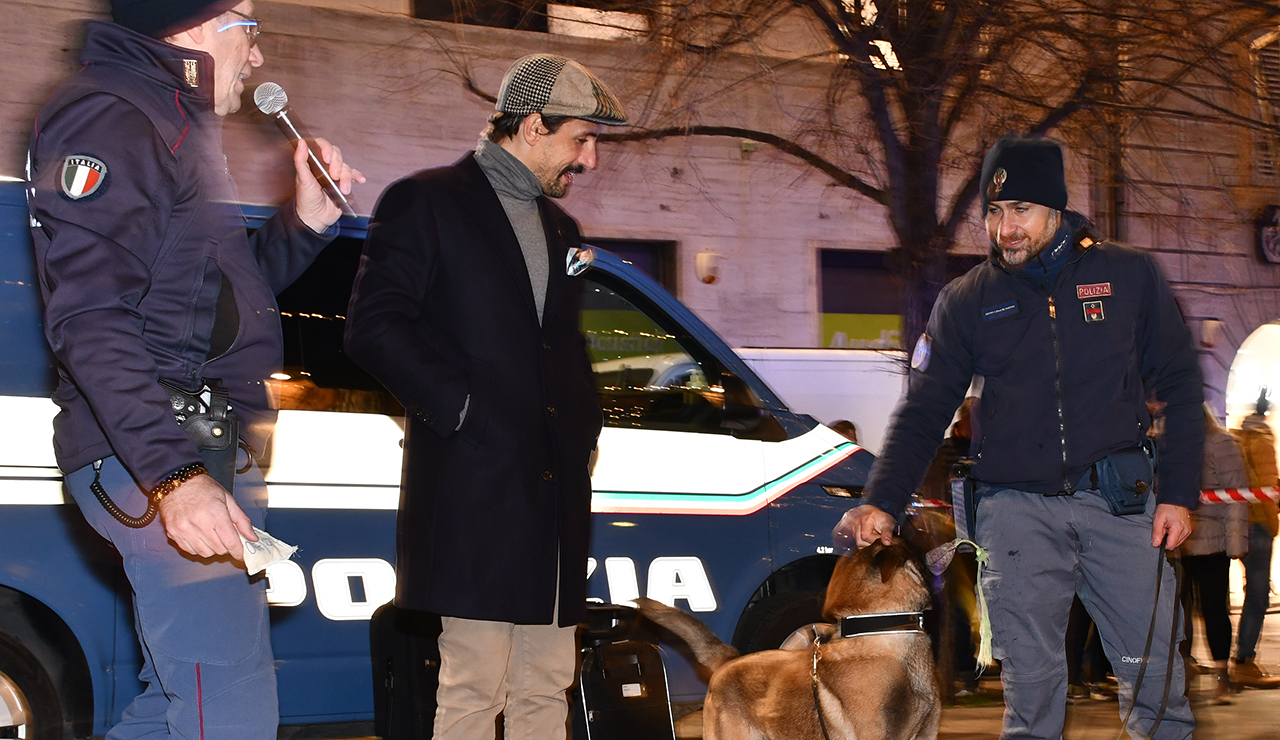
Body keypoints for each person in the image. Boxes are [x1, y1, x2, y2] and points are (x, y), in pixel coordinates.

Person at [26, 1, 362, 738]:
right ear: (192, 24)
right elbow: (88, 316)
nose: (260, 56)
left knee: (183, 706)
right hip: (160, 447)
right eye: (252, 29)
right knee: (226, 713)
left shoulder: (167, 117)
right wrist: (174, 477)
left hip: (182, 441)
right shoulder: (115, 115)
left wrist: (303, 220)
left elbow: (208, 307)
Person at [834, 133, 1203, 739]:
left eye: (1021, 211)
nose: (1006, 228)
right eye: (995, 213)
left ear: (1056, 209)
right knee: (1030, 695)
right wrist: (883, 499)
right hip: (1014, 513)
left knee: (1154, 675)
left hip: (1121, 505)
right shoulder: (968, 300)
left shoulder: (1128, 276)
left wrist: (1179, 492)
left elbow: (1184, 385)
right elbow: (925, 409)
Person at [344, 54, 626, 740]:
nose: (588, 159)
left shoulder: (561, 229)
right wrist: (466, 411)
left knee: (546, 688)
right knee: (474, 686)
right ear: (532, 126)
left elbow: (557, 350)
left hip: (553, 498)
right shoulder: (429, 201)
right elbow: (374, 326)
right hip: (474, 489)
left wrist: (582, 428)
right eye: (580, 139)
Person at [1180, 404, 1249, 704]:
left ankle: (1222, 677)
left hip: (1211, 544)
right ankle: (1183, 679)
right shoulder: (1169, 443)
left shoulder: (1220, 443)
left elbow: (1236, 495)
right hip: (1177, 545)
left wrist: (1235, 545)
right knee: (1179, 615)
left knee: (1214, 610)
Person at [1232, 389, 1280, 689]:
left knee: (1255, 590)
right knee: (1258, 594)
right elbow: (1264, 486)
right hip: (1259, 525)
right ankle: (1244, 660)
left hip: (1245, 524)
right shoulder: (1262, 441)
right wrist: (1272, 519)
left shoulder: (1240, 438)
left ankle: (1241, 660)